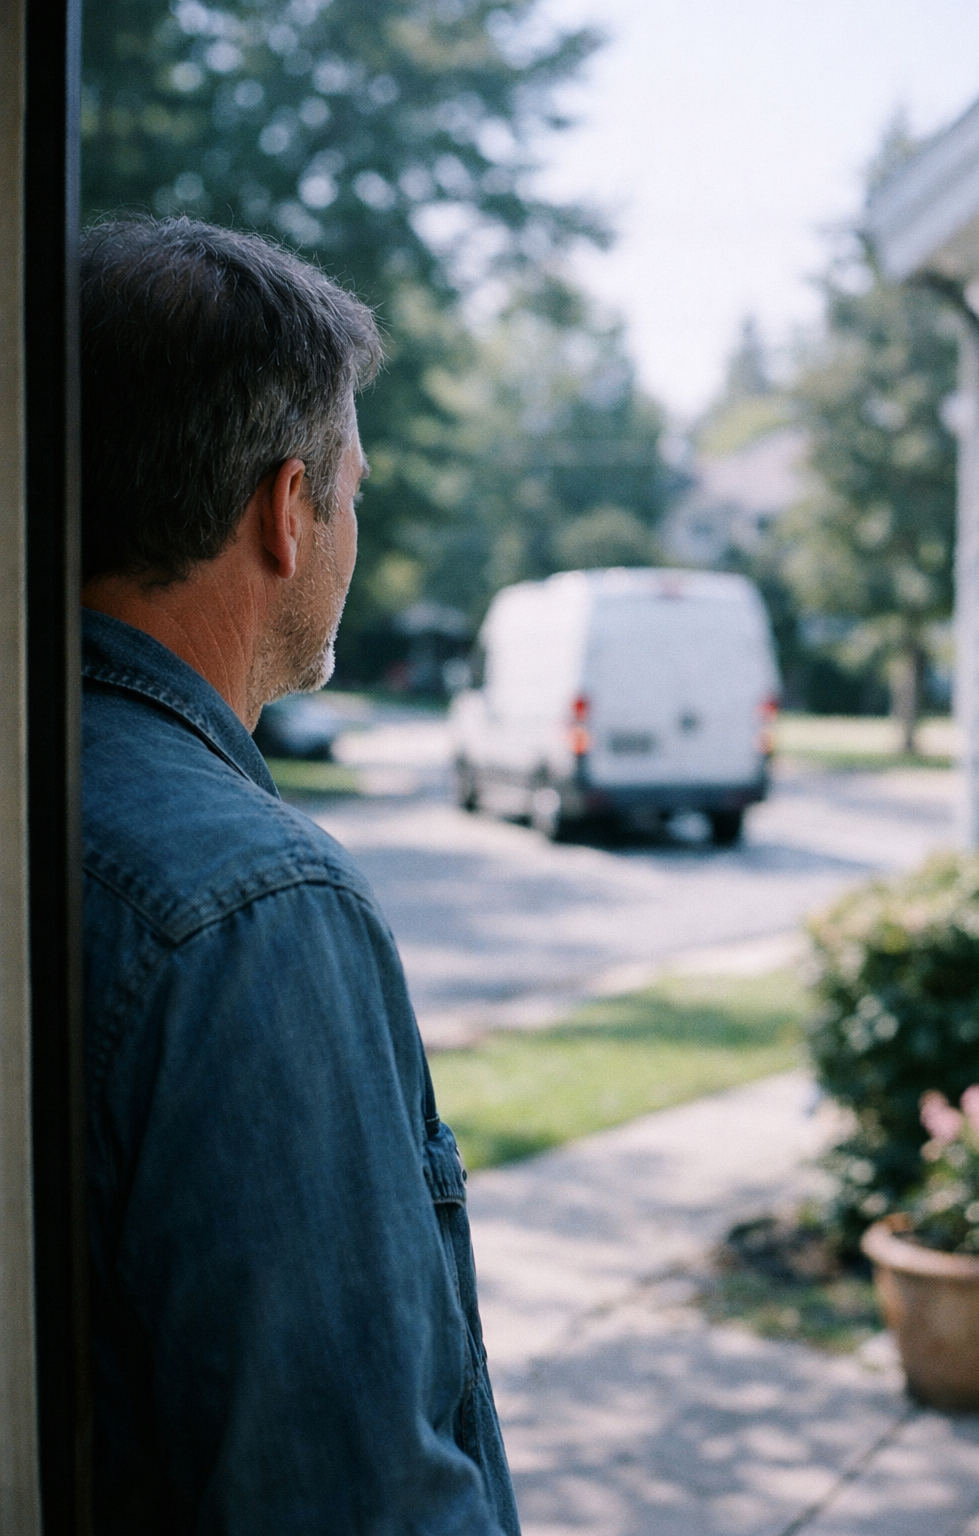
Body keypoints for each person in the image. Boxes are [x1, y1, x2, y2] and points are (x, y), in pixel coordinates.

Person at [79, 218, 520, 1535]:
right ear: (289, 510)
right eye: (356, 490)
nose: (354, 528)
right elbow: (357, 1499)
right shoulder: (253, 910)